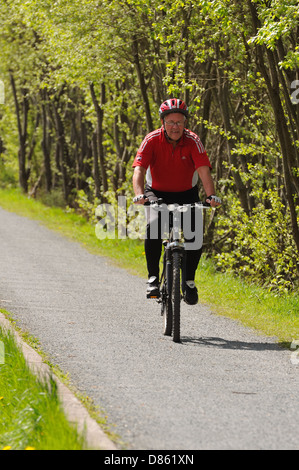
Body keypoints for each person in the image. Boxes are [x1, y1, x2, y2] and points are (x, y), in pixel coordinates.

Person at [132, 98, 221, 305]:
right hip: (155, 192)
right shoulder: (151, 139)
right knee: (154, 227)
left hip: (186, 193)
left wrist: (211, 195)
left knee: (195, 235)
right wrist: (139, 194)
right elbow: (139, 169)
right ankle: (153, 278)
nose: (175, 127)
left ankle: (189, 280)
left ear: (185, 123)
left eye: (179, 122)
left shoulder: (193, 141)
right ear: (163, 122)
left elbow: (203, 170)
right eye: (171, 122)